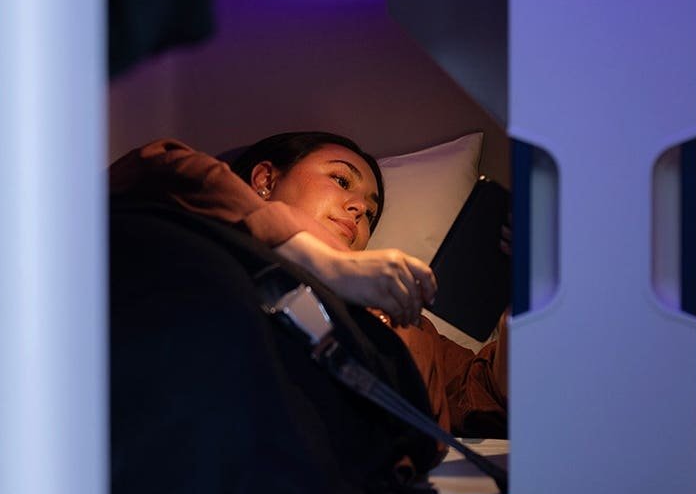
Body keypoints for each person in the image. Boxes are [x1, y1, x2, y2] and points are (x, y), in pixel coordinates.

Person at [110, 132, 507, 438]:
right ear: (264, 180)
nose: (359, 209)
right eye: (340, 179)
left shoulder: (407, 320)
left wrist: (541, 286)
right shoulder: (203, 231)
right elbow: (158, 168)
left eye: (370, 212)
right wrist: (320, 262)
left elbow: (489, 394)